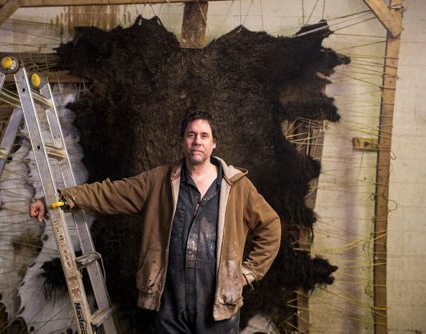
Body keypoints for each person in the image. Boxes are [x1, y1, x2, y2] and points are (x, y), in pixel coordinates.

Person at [29, 111, 281, 333]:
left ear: (214, 144)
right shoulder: (159, 180)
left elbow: (270, 225)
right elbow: (112, 193)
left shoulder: (236, 186)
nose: (197, 141)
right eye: (191, 134)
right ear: (183, 141)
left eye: (204, 136)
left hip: (218, 304)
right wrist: (62, 197)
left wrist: (248, 273)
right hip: (171, 302)